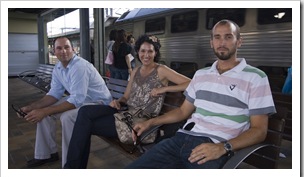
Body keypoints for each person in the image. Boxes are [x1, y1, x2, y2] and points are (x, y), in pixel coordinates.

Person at [126, 19, 276, 169]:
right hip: (180, 139)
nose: (222, 42)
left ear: (239, 42)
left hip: (215, 147)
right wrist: (149, 123)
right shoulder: (201, 74)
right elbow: (182, 111)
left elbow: (259, 130)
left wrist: (224, 147)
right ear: (211, 42)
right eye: (217, 37)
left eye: (228, 37)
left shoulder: (255, 77)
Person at [64, 34, 191, 169]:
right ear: (137, 52)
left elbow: (191, 83)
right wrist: (118, 102)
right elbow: (125, 97)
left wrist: (165, 88)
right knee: (84, 112)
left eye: (150, 51)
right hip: (126, 113)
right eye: (143, 51)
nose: (146, 55)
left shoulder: (161, 70)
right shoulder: (136, 70)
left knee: (84, 126)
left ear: (155, 53)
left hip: (140, 123)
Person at [17, 37, 112, 168]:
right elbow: (54, 94)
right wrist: (31, 107)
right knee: (44, 114)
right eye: (59, 48)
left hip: (99, 103)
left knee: (68, 117)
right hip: (82, 100)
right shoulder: (58, 68)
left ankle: (70, 164)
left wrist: (43, 111)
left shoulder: (79, 66)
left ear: (73, 49)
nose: (64, 51)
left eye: (67, 47)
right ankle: (47, 154)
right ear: (54, 51)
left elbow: (76, 100)